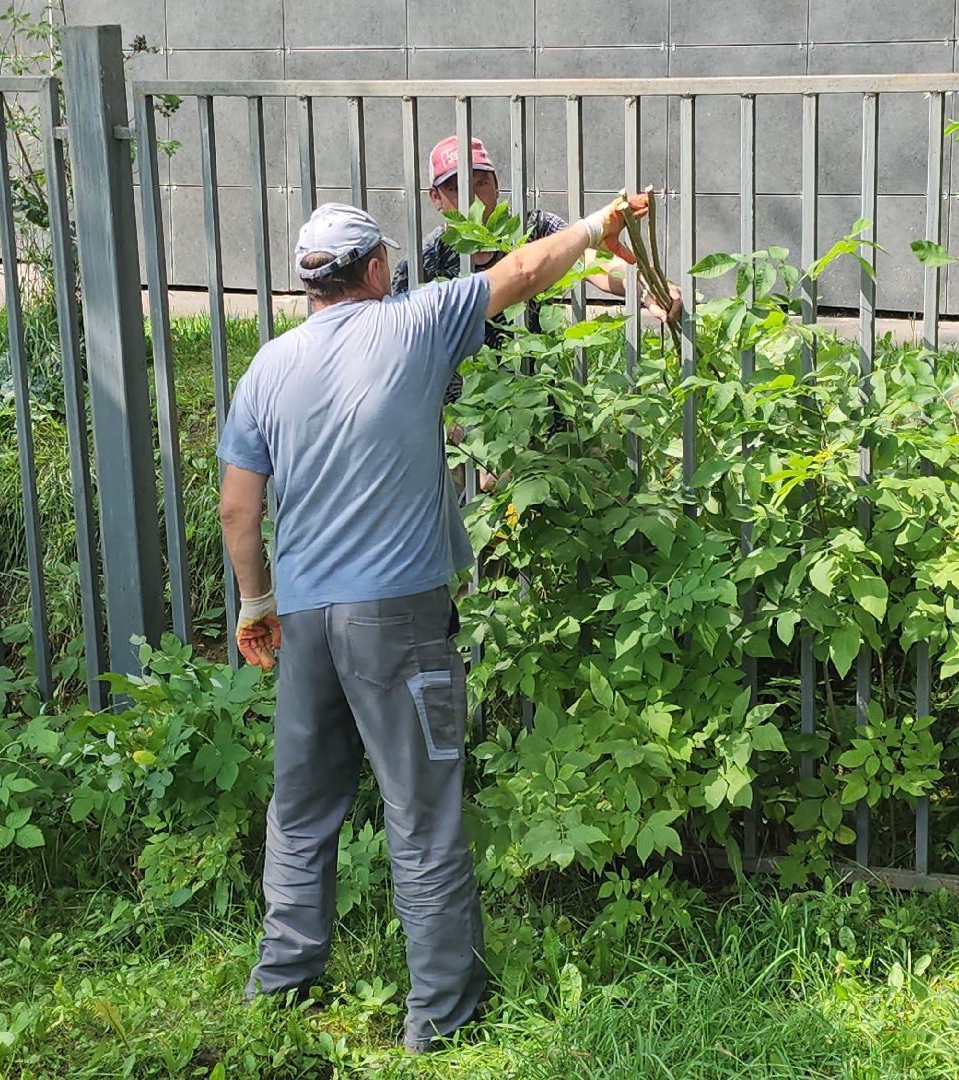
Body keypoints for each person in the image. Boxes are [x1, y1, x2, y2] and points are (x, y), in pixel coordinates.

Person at [216, 196, 652, 1054]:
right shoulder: (415, 324)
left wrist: (257, 602)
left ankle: (282, 987)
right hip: (399, 619)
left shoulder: (268, 366)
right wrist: (597, 228)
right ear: (377, 268)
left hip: (303, 618)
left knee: (300, 809)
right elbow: (522, 269)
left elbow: (238, 507)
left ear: (309, 283)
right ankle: (442, 1016)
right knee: (421, 817)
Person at [395, 135, 680, 491]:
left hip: (545, 410)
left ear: (496, 184)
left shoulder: (536, 230)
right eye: (455, 188)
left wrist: (646, 287)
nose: (471, 197)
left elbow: (591, 260)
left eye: (480, 182)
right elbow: (404, 363)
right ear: (435, 198)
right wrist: (470, 441)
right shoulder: (424, 264)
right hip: (461, 430)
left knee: (593, 484)